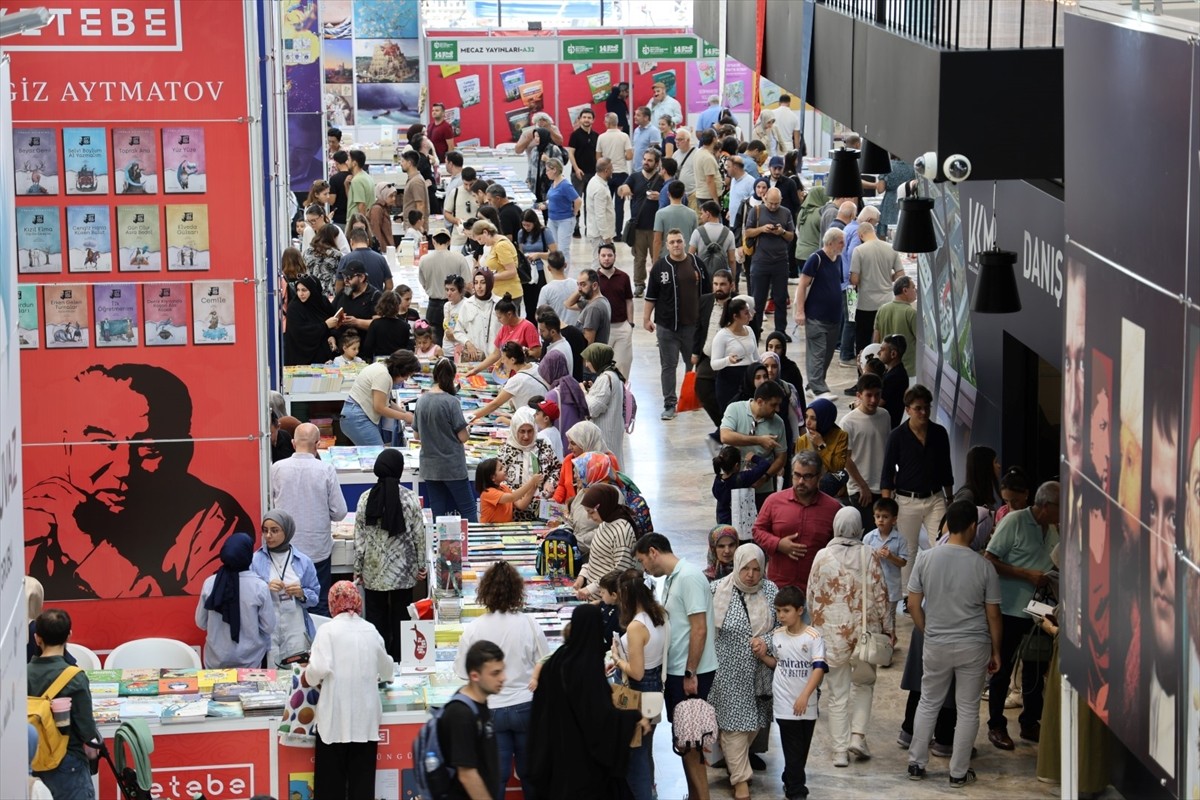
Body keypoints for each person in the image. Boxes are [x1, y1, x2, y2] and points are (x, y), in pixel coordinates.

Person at [24, 364, 255, 600]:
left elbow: (190, 610)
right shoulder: (36, 514)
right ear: (66, 445)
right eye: (103, 442)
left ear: (184, 452)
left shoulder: (215, 519)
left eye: (149, 447)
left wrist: (86, 549)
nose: (123, 469)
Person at [905, 500, 1003, 788]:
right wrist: (996, 651)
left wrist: (928, 631)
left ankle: (916, 764)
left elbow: (913, 604)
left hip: (936, 641)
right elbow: (993, 614)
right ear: (973, 527)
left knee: (928, 702)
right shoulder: (984, 566)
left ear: (947, 525)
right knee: (968, 708)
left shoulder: (925, 558)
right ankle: (958, 772)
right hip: (974, 645)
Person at [528, 604, 644, 800]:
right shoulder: (588, 666)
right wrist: (633, 717)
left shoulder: (558, 659)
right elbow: (599, 719)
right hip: (584, 768)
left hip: (557, 759)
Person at [633, 533, 718, 800]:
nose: (644, 567)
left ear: (653, 552)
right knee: (683, 740)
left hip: (690, 672)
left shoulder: (689, 577)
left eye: (642, 560)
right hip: (678, 671)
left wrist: (690, 672)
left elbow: (699, 629)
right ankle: (693, 795)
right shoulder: (672, 579)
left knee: (691, 742)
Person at [806, 507, 892, 767]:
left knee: (837, 694)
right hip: (865, 635)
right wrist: (888, 629)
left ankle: (839, 752)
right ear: (859, 528)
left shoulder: (822, 556)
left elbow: (811, 596)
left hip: (832, 637)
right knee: (864, 685)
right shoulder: (869, 554)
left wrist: (818, 629)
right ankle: (857, 736)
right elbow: (881, 596)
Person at [454, 562, 548, 794]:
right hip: (526, 705)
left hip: (492, 709)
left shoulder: (474, 629)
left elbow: (462, 672)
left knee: (495, 778)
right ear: (517, 590)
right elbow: (545, 662)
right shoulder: (529, 624)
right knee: (532, 775)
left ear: (484, 591)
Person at [983, 481, 1060, 750]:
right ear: (1046, 505)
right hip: (1010, 609)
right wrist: (1026, 574)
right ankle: (996, 725)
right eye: (1060, 507)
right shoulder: (1014, 521)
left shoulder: (1054, 528)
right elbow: (989, 558)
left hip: (1040, 612)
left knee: (1035, 669)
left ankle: (1030, 722)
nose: (1063, 513)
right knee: (1002, 669)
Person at [307, 581, 395, 800]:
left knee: (330, 789)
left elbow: (317, 670)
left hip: (334, 720)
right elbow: (387, 670)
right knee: (362, 788)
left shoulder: (327, 630)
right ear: (358, 601)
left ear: (332, 602)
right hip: (365, 721)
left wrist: (309, 676)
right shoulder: (370, 629)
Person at [708, 544, 779, 800]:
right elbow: (702, 629)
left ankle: (735, 764)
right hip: (726, 672)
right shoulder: (716, 590)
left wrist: (766, 642)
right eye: (745, 568)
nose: (750, 574)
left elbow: (782, 626)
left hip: (759, 673)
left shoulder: (770, 591)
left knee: (752, 725)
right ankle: (741, 782)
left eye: (756, 569)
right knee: (734, 727)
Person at [350, 449, 426, 661]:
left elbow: (360, 538)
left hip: (373, 570)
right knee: (402, 616)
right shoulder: (410, 498)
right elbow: (418, 535)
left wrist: (358, 569)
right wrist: (421, 565)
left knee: (376, 618)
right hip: (403, 570)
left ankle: (378, 660)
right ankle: (401, 660)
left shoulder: (366, 498)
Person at [752, 585, 826, 800]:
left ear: (800, 610)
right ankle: (797, 790)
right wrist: (763, 656)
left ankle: (789, 777)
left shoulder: (813, 637)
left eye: (786, 610)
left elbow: (819, 669)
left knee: (801, 749)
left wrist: (804, 695)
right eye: (778, 611)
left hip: (807, 702)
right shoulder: (777, 636)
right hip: (784, 702)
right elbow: (778, 664)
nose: (781, 616)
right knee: (792, 746)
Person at [881, 384, 954, 589]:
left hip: (935, 498)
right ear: (908, 410)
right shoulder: (897, 436)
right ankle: (907, 594)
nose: (923, 412)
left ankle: (939, 588)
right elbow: (887, 472)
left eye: (927, 407)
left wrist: (949, 497)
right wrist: (887, 507)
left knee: (942, 545)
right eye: (918, 408)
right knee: (908, 551)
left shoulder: (939, 433)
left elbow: (946, 467)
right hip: (907, 501)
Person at [28, 609, 100, 799]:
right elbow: (86, 730)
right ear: (69, 635)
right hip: (68, 762)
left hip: (32, 761)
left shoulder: (21, 675)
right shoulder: (75, 677)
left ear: (37, 638)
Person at [610, 570, 668, 800]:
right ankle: (650, 791)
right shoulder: (659, 616)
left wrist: (617, 658)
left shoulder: (636, 627)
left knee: (635, 755)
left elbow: (636, 671)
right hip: (654, 689)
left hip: (636, 691)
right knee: (645, 749)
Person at [752, 450, 841, 593]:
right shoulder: (774, 501)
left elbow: (839, 547)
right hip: (778, 588)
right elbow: (757, 530)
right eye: (797, 475)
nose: (800, 481)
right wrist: (778, 544)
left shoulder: (833, 509)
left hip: (817, 589)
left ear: (819, 476)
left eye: (807, 476)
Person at [644, 227, 703, 421]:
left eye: (679, 241)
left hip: (692, 326)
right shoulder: (660, 267)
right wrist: (646, 318)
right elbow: (651, 296)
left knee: (692, 364)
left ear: (684, 242)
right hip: (666, 326)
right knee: (668, 366)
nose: (676, 245)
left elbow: (708, 294)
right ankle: (670, 404)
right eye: (672, 242)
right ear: (666, 246)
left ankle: (690, 398)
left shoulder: (697, 264)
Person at [250, 510, 320, 666]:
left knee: (296, 670)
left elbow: (315, 597)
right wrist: (265, 588)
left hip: (295, 624)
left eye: (274, 531)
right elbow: (248, 597)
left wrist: (301, 593)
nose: (268, 536)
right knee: (272, 671)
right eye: (265, 531)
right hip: (269, 625)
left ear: (287, 531)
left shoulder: (303, 561)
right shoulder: (255, 560)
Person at [196, 532, 275, 668]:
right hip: (251, 662)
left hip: (215, 661)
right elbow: (268, 627)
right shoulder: (259, 587)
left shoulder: (210, 583)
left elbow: (201, 622)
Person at [414, 358, 477, 521]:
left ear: (434, 375)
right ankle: (473, 538)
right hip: (452, 467)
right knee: (468, 510)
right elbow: (463, 437)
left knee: (438, 513)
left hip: (430, 467)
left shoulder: (421, 401)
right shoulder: (452, 402)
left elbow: (416, 435)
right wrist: (468, 429)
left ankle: (438, 539)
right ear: (453, 377)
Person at [443, 640, 507, 800]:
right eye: (495, 673)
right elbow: (467, 774)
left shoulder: (480, 703)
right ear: (474, 676)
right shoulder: (461, 714)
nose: (503, 678)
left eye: (502, 671)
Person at [720, 381, 788, 508]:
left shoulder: (778, 423)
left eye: (779, 405)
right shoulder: (735, 409)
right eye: (773, 405)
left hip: (762, 489)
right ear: (760, 401)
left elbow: (781, 457)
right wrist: (759, 440)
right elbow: (725, 436)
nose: (777, 409)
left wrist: (765, 477)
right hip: (732, 485)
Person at [795, 226, 846, 397]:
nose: (844, 245)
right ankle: (819, 389)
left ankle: (814, 385)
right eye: (841, 242)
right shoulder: (815, 259)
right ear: (830, 243)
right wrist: (800, 312)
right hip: (816, 317)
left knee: (827, 354)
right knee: (817, 353)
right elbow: (802, 285)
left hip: (834, 318)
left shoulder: (838, 259)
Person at [840, 374, 892, 526]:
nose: (873, 400)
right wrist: (862, 485)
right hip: (860, 490)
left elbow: (887, 449)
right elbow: (845, 458)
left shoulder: (885, 416)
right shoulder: (848, 422)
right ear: (859, 395)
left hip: (883, 487)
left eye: (877, 395)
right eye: (869, 395)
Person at [339, 350, 420, 447]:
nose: (406, 379)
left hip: (355, 415)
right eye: (407, 375)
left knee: (375, 451)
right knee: (377, 452)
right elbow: (380, 407)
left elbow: (387, 402)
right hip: (358, 418)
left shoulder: (381, 368)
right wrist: (404, 416)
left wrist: (405, 413)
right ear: (401, 370)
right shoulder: (383, 375)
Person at [573, 485, 639, 599]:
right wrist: (582, 576)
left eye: (591, 512)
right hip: (595, 597)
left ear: (602, 506)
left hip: (608, 601)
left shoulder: (622, 531)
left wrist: (590, 589)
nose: (589, 517)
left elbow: (621, 571)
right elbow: (597, 557)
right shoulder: (605, 524)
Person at [498, 408, 560, 521]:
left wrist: (550, 482)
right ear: (514, 430)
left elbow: (557, 468)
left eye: (530, 431)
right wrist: (517, 497)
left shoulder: (543, 447)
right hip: (515, 510)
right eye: (522, 431)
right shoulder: (505, 452)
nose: (526, 436)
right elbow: (499, 479)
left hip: (543, 508)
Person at [466, 296, 543, 380]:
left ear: (509, 314)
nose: (498, 320)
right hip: (506, 375)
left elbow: (537, 352)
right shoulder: (504, 328)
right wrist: (476, 370)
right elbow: (496, 354)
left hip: (522, 375)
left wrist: (523, 352)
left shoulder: (527, 327)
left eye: (500, 317)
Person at [863, 497, 908, 640]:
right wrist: (874, 555)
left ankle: (890, 642)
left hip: (891, 586)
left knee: (890, 616)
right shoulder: (869, 538)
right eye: (878, 516)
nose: (881, 520)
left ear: (894, 520)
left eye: (885, 517)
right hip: (873, 585)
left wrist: (890, 557)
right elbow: (863, 559)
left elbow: (903, 562)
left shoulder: (900, 539)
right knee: (875, 615)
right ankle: (877, 642)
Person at [469, 342, 550, 421]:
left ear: (512, 360)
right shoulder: (536, 366)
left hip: (530, 420)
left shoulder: (517, 380)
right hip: (544, 414)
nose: (502, 361)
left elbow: (495, 404)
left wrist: (471, 417)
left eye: (503, 358)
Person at [581, 343, 628, 465]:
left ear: (597, 359)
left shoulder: (605, 378)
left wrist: (583, 392)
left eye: (589, 361)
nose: (587, 365)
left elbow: (592, 409)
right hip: (612, 430)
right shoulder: (612, 375)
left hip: (606, 434)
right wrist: (593, 390)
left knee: (606, 467)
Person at [553, 420, 619, 506]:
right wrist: (554, 501)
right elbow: (562, 485)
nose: (569, 447)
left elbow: (611, 493)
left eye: (573, 443)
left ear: (586, 441)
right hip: (571, 510)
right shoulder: (569, 460)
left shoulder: (607, 462)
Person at [711, 297, 759, 414]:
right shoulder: (722, 335)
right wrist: (728, 360)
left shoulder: (749, 330)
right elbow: (714, 364)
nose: (750, 316)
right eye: (746, 313)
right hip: (729, 381)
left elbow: (756, 356)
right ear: (735, 316)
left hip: (748, 379)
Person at [712, 446, 774, 529]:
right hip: (739, 523)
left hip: (722, 522)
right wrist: (753, 457)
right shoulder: (742, 478)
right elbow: (765, 464)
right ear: (737, 465)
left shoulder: (718, 480)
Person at [796, 398, 850, 492]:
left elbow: (837, 468)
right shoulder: (802, 440)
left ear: (825, 419)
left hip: (834, 492)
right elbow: (798, 469)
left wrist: (821, 445)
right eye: (806, 417)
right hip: (809, 491)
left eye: (813, 418)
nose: (808, 422)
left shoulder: (840, 436)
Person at [284, 275, 340, 365]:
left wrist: (332, 336)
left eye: (304, 290)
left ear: (313, 290)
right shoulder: (294, 308)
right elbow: (299, 333)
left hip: (324, 357)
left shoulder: (322, 302)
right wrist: (325, 326)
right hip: (301, 358)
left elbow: (333, 323)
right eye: (298, 290)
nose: (300, 294)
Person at [542, 158, 581, 271]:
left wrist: (574, 212)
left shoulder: (565, 185)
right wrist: (546, 205)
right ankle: (556, 271)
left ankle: (564, 273)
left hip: (565, 220)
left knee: (563, 249)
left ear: (554, 170)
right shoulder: (554, 182)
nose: (546, 173)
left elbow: (578, 200)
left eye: (547, 170)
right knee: (553, 248)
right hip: (552, 219)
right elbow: (554, 198)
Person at [476, 457, 542, 524]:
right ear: (493, 477)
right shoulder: (488, 493)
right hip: (489, 529)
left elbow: (521, 505)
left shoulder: (504, 488)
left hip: (504, 528)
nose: (505, 469)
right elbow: (512, 497)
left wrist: (534, 485)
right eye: (501, 469)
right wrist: (531, 482)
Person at [873, 276, 919, 374]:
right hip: (907, 370)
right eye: (913, 287)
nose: (916, 290)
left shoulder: (882, 310)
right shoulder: (911, 313)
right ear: (905, 290)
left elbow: (876, 339)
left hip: (887, 369)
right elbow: (921, 341)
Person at [454, 270, 500, 361]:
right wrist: (468, 343)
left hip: (497, 359)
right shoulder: (467, 304)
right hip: (474, 358)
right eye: (476, 283)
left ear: (490, 283)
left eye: (483, 282)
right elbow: (458, 331)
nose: (479, 286)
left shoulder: (499, 303)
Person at [652, 181, 699, 264]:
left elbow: (657, 241)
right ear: (683, 194)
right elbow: (696, 240)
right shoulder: (692, 214)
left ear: (668, 194)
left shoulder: (660, 214)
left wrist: (655, 262)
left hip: (666, 259)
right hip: (686, 258)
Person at [337, 227, 393, 294]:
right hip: (376, 299)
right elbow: (389, 286)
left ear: (351, 242)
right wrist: (381, 297)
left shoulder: (345, 259)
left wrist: (348, 296)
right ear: (368, 241)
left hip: (353, 299)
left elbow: (338, 288)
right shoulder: (381, 259)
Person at [361, 289, 411, 362]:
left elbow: (367, 347)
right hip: (398, 361)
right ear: (397, 306)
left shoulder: (375, 324)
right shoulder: (404, 325)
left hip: (379, 361)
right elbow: (408, 347)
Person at [569, 267, 612, 345]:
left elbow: (588, 342)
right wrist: (582, 289)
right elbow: (568, 304)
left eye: (583, 284)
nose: (579, 289)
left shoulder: (594, 308)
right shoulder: (602, 300)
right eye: (578, 285)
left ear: (594, 285)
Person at [879, 334, 910, 428]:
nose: (879, 353)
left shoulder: (895, 376)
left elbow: (877, 404)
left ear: (893, 354)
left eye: (882, 349)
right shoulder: (891, 372)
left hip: (886, 426)